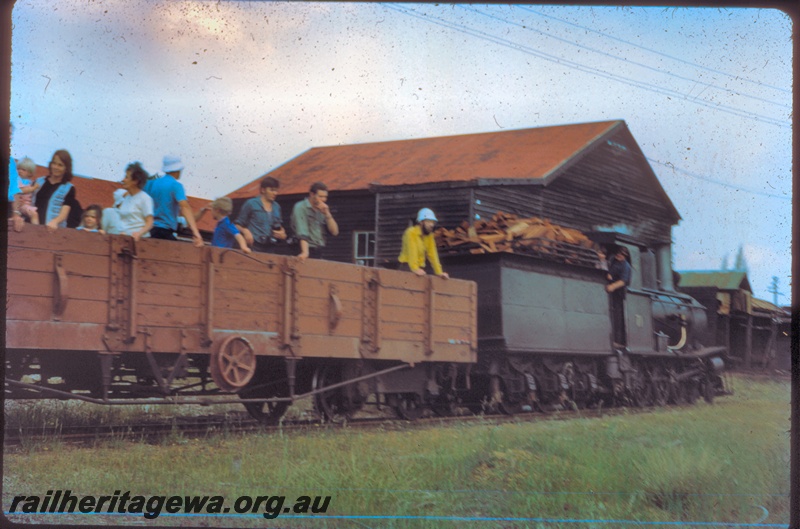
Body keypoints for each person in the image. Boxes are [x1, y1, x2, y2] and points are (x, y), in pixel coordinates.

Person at [143, 155, 203, 247]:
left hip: (147, 230)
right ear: (177, 170)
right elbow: (184, 206)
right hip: (164, 232)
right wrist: (196, 232)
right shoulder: (176, 186)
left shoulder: (150, 184)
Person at [233, 176, 286, 253]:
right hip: (254, 246)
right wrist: (245, 231)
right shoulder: (251, 203)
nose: (275, 193)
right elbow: (236, 225)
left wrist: (282, 233)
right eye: (271, 190)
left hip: (271, 247)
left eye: (276, 191)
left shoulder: (277, 207)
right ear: (263, 190)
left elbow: (279, 226)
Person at [31, 149, 80, 232]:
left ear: (66, 168)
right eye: (54, 163)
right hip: (32, 228)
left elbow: (64, 214)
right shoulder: (39, 181)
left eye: (60, 165)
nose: (56, 167)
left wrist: (54, 222)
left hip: (52, 230)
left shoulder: (69, 188)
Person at [291, 182, 338, 261]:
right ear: (312, 194)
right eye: (320, 196)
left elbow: (335, 232)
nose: (323, 200)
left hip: (319, 249)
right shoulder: (301, 207)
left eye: (325, 197)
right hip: (303, 248)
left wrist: (327, 214)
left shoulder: (322, 209)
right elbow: (302, 232)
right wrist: (305, 252)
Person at [398, 208, 449, 279]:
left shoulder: (429, 236)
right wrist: (415, 269)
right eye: (429, 222)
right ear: (421, 222)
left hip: (420, 268)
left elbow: (433, 255)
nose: (432, 225)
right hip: (407, 267)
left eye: (433, 222)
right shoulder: (411, 232)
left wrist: (439, 272)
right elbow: (412, 252)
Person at [117, 162, 154, 241]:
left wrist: (139, 233)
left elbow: (149, 222)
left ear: (135, 181)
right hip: (124, 239)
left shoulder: (145, 198)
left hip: (140, 242)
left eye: (126, 177)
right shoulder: (126, 198)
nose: (123, 180)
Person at [606, 245, 632, 348]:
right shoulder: (613, 259)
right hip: (610, 291)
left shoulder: (626, 266)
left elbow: (623, 281)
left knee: (618, 316)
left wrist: (613, 286)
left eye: (621, 255)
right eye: (618, 253)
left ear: (624, 256)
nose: (619, 256)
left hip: (619, 293)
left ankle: (618, 340)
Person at [15, 157, 40, 224]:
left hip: (26, 205)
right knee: (34, 214)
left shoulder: (29, 182)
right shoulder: (17, 180)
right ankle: (35, 231)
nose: (20, 171)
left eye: (23, 169)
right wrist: (33, 188)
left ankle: (35, 230)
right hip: (20, 205)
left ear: (30, 173)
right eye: (18, 169)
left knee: (34, 214)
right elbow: (21, 190)